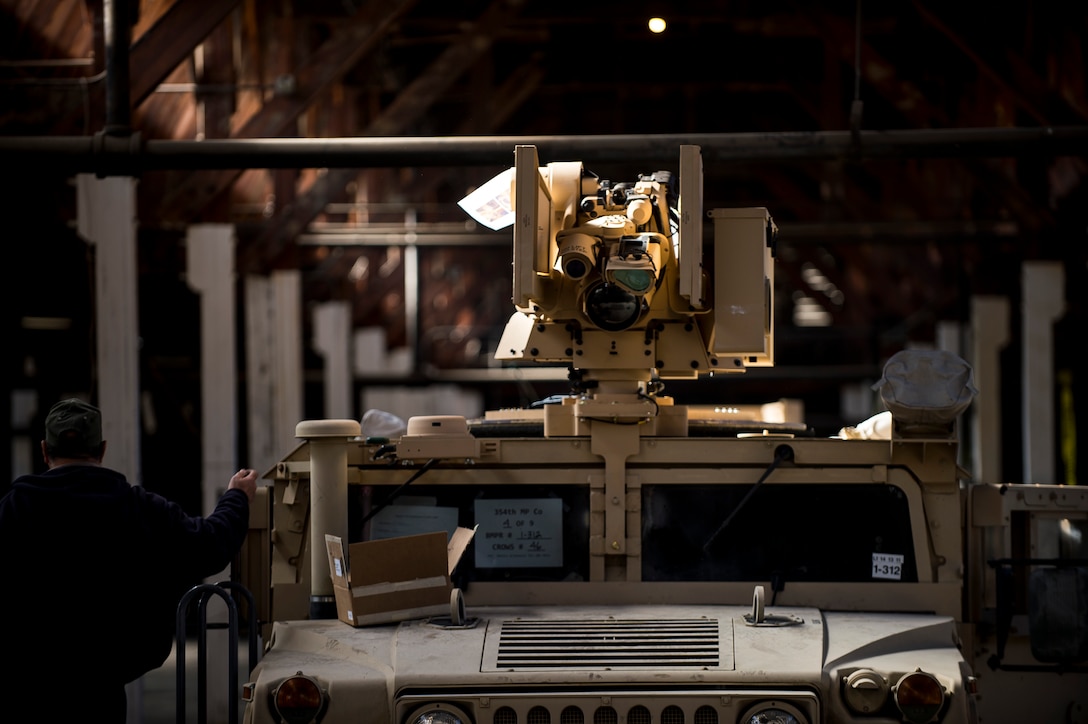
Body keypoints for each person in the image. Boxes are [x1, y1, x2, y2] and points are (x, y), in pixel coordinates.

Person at [0, 398, 258, 723]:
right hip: (102, 687)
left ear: (43, 450)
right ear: (102, 448)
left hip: (27, 687)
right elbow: (209, 545)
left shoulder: (12, 510)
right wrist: (236, 497)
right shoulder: (136, 506)